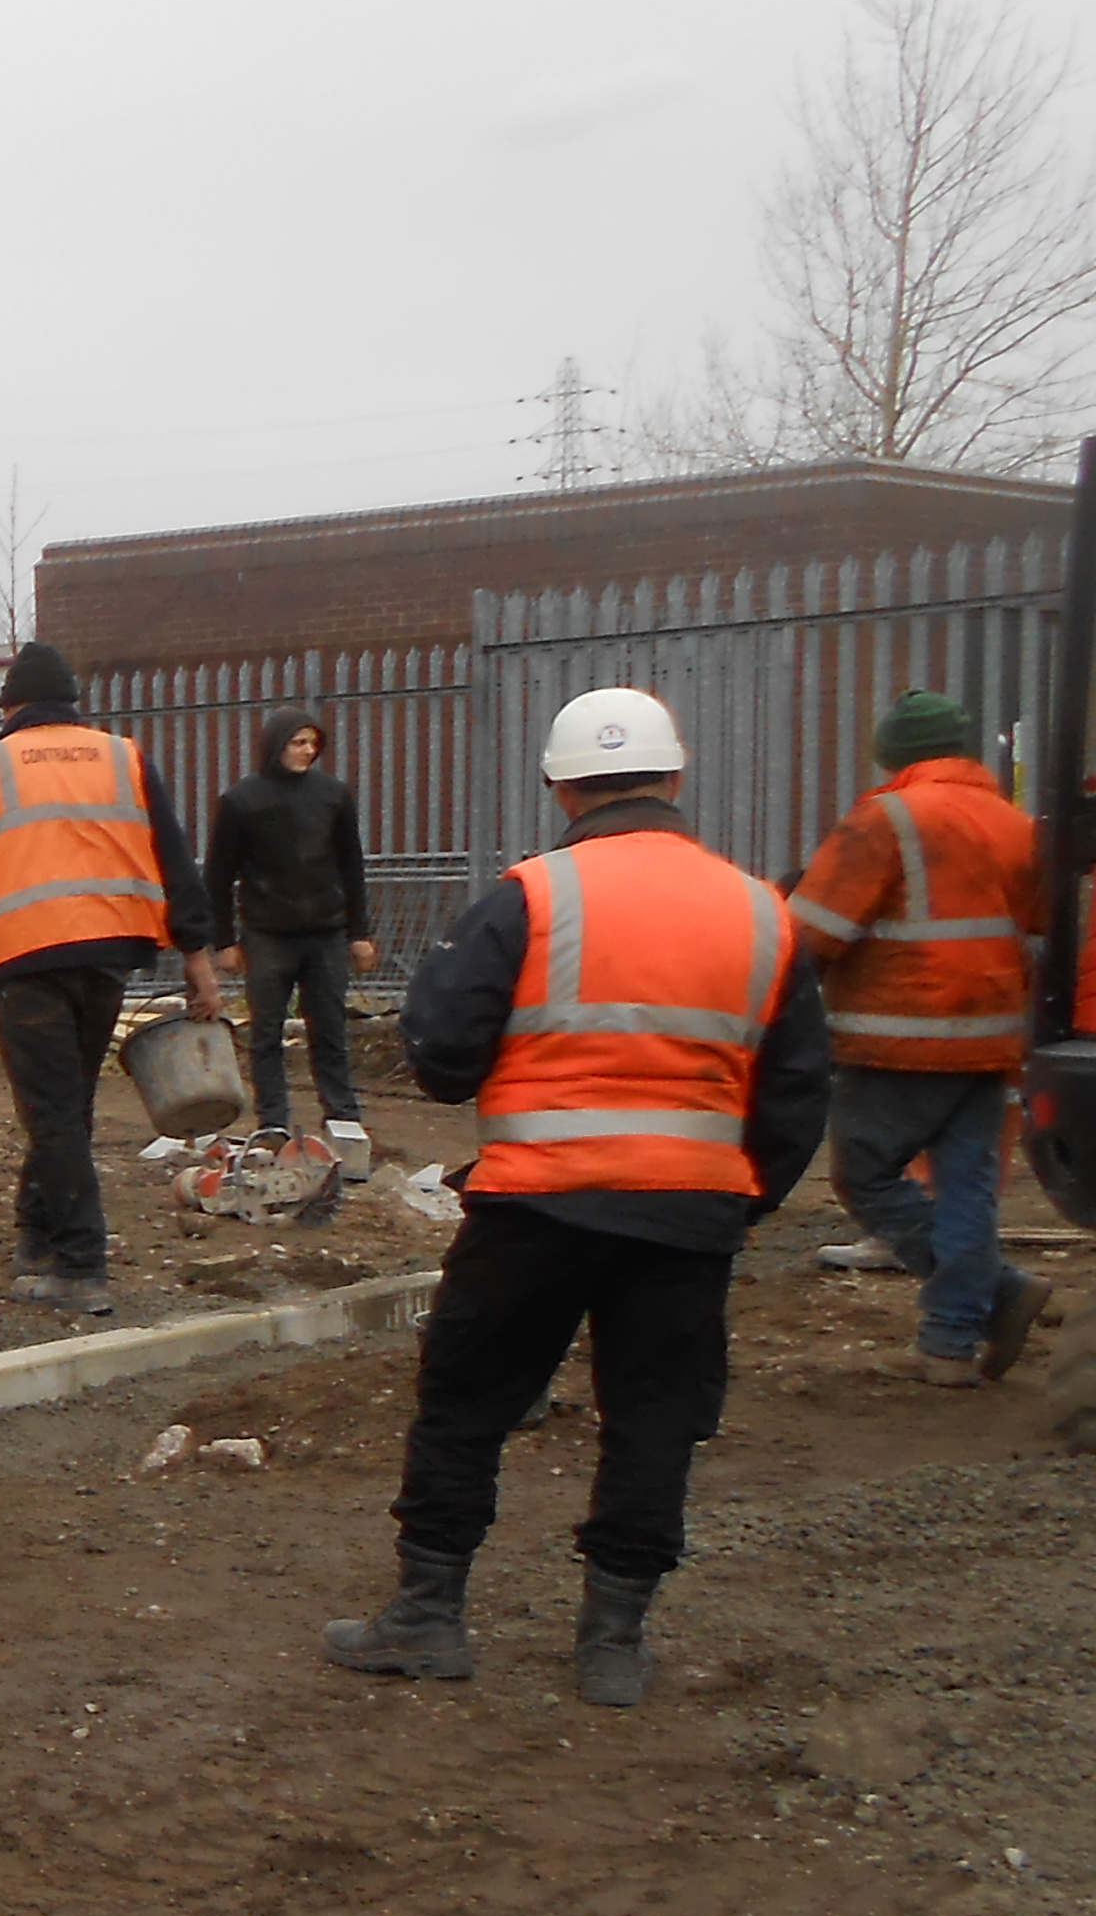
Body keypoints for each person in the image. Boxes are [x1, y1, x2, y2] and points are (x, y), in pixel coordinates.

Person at [323, 686, 828, 1707]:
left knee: (466, 1403)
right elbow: (799, 1089)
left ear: (559, 787)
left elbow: (441, 1054)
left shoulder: (529, 898)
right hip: (686, 1216)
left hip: (536, 1207)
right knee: (653, 1419)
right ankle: (613, 1646)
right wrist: (740, 1201)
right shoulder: (763, 912)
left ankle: (427, 1617)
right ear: (677, 779)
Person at [0, 641, 224, 1317]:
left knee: (53, 1114)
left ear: (10, 706)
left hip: (26, 960)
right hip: (107, 954)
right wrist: (197, 957)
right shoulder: (124, 759)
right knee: (67, 1109)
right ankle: (36, 1242)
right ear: (72, 703)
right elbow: (176, 857)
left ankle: (81, 1264)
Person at [785, 688, 1049, 1387]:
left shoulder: (886, 820)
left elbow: (814, 934)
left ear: (891, 753)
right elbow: (1041, 929)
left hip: (897, 1036)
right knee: (966, 1185)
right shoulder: (1015, 823)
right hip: (991, 1039)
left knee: (866, 1176)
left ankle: (996, 1293)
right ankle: (949, 1344)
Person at [205, 707, 377, 1151]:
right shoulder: (241, 802)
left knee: (330, 1030)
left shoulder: (333, 796)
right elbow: (219, 877)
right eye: (298, 742)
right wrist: (224, 941)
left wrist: (359, 932)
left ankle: (342, 1118)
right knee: (266, 1033)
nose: (308, 750)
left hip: (325, 933)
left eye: (312, 742)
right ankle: (274, 1124)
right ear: (276, 745)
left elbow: (350, 866)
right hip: (267, 935)